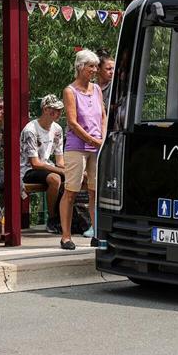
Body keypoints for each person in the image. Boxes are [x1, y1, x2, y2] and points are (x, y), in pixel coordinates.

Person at [61, 49, 106, 250]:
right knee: (71, 191)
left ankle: (97, 233)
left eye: (96, 66)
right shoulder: (70, 91)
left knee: (95, 191)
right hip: (77, 147)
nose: (94, 70)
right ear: (80, 67)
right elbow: (72, 122)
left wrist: (102, 139)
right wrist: (93, 141)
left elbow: (103, 115)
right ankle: (66, 236)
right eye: (91, 66)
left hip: (97, 147)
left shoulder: (96, 89)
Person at [20, 94, 66, 235]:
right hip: (27, 169)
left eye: (60, 110)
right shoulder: (31, 130)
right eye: (55, 109)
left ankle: (65, 217)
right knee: (55, 179)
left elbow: (60, 160)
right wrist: (60, 171)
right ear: (45, 110)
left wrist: (68, 171)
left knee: (73, 179)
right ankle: (52, 218)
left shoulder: (57, 129)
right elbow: (35, 163)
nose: (59, 113)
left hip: (46, 166)